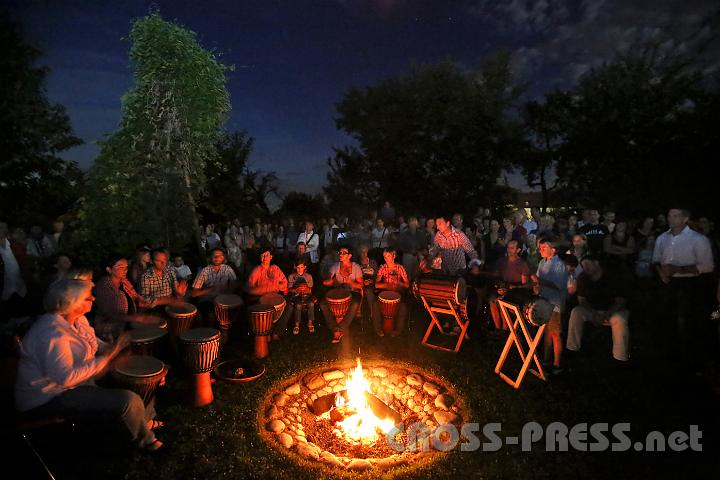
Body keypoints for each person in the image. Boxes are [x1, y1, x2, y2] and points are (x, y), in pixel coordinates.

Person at [15, 278, 164, 451]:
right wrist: (109, 356)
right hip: (48, 398)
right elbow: (66, 378)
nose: (93, 299)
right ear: (71, 304)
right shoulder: (51, 334)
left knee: (142, 375)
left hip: (74, 385)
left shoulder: (78, 320)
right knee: (128, 400)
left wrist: (112, 349)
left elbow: (94, 343)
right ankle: (147, 442)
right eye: (87, 297)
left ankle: (143, 420)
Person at [653, 208, 714, 370]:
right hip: (667, 283)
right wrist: (662, 273)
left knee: (685, 320)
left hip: (689, 284)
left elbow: (707, 266)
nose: (671, 219)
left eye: (675, 216)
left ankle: (689, 357)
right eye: (669, 215)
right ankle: (670, 354)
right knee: (666, 317)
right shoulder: (662, 238)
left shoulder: (698, 239)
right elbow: (657, 259)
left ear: (685, 218)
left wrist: (679, 270)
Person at [566, 255, 630, 362]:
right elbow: (582, 300)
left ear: (596, 263)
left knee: (619, 320)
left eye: (588, 264)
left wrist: (607, 314)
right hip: (593, 311)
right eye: (583, 266)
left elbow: (621, 301)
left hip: (613, 311)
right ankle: (572, 349)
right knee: (576, 312)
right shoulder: (583, 278)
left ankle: (620, 356)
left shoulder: (612, 276)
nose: (585, 268)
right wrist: (594, 314)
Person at [94, 255, 158, 341]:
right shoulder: (104, 287)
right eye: (121, 267)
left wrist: (144, 302)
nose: (125, 270)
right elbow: (112, 315)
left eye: (126, 267)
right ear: (109, 269)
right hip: (110, 331)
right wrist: (136, 318)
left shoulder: (124, 281)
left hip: (128, 324)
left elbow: (135, 295)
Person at [532, 237, 568, 375]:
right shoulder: (542, 262)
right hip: (544, 301)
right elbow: (538, 281)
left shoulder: (559, 264)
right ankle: (546, 360)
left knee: (555, 333)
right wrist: (536, 287)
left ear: (553, 250)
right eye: (540, 248)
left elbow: (558, 285)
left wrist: (539, 281)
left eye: (544, 248)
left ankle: (557, 364)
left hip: (555, 305)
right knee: (546, 331)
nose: (541, 250)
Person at [320, 247, 363, 343]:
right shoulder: (335, 266)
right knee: (323, 303)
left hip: (352, 292)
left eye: (344, 253)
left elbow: (360, 285)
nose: (341, 254)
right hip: (338, 291)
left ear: (350, 256)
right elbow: (327, 282)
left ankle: (338, 329)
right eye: (340, 252)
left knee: (355, 302)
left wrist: (350, 282)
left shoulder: (356, 267)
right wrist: (331, 281)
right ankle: (337, 328)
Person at [246, 246, 291, 339]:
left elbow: (284, 282)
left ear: (271, 257)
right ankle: (265, 332)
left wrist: (278, 286)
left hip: (275, 297)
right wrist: (264, 290)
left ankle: (277, 332)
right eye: (262, 256)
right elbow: (248, 288)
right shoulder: (257, 270)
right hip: (261, 298)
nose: (265, 258)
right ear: (260, 258)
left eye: (266, 255)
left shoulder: (275, 268)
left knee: (289, 307)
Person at [489, 240, 531, 330]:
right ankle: (497, 328)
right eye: (508, 247)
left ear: (518, 250)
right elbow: (496, 276)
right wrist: (499, 286)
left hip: (515, 291)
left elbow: (525, 285)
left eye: (512, 248)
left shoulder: (522, 264)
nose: (509, 250)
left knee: (503, 301)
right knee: (492, 300)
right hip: (503, 286)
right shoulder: (502, 261)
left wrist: (511, 288)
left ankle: (506, 329)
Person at [372, 247, 410, 337]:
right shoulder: (382, 268)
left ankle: (398, 330)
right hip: (385, 292)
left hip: (398, 293)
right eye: (384, 257)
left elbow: (407, 285)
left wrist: (398, 282)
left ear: (394, 256)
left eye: (388, 256)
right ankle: (378, 328)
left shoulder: (400, 268)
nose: (386, 259)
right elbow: (376, 285)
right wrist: (386, 285)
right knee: (375, 305)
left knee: (403, 308)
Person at [1, 221, 29, 319]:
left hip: (20, 286)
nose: (1, 230)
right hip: (4, 289)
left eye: (3, 228)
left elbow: (24, 262)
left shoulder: (15, 245)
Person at [287, 260, 315, 335]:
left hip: (306, 295)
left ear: (305, 267)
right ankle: (297, 325)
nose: (299, 269)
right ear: (295, 267)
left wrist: (306, 289)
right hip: (296, 296)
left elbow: (310, 289)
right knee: (298, 305)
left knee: (311, 304)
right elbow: (289, 289)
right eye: (298, 267)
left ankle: (310, 323)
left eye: (301, 267)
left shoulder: (308, 276)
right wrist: (296, 290)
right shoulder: (291, 276)